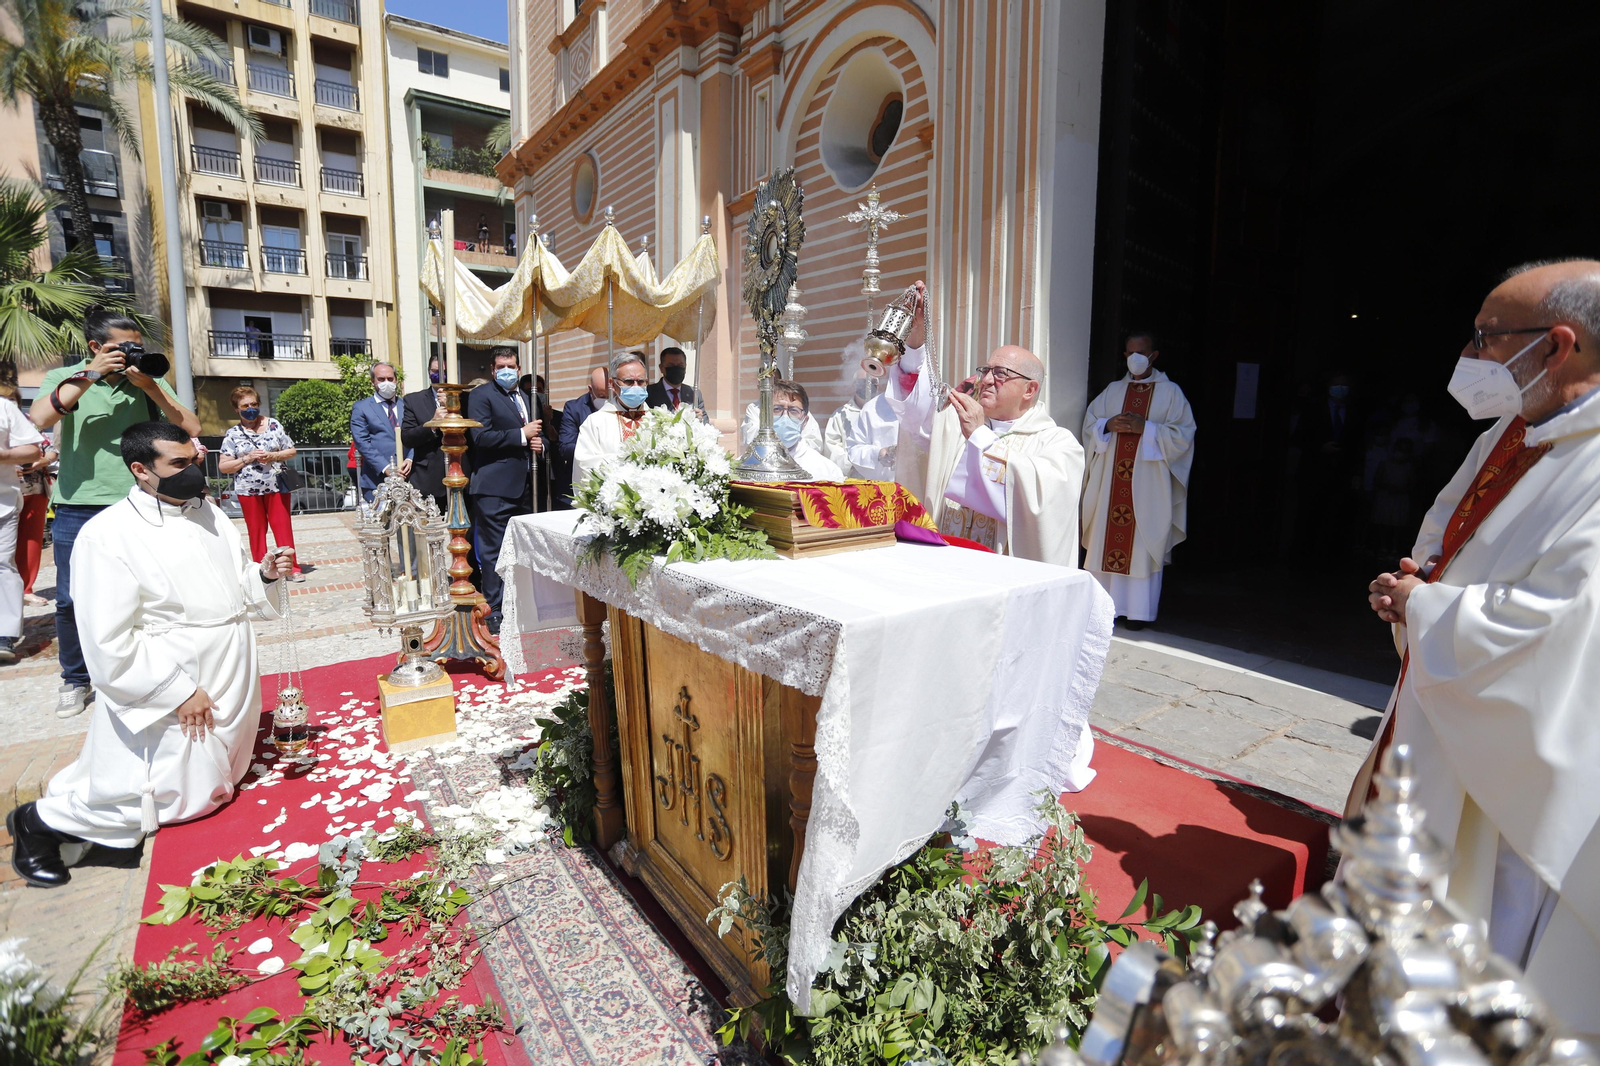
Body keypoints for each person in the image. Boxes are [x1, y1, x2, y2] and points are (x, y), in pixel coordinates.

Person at [1355, 260, 1600, 1038]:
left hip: (1513, 772)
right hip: (1447, 710)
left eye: (1487, 337)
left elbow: (1565, 623)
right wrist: (1416, 586)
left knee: (1489, 945)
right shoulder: (1518, 432)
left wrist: (1425, 606)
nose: (1472, 356)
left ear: (1558, 345)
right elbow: (1449, 533)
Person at [5, 422, 294, 888]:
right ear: (141, 470)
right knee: (150, 787)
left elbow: (234, 586)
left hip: (229, 664)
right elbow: (106, 637)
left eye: (194, 460)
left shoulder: (210, 515)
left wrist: (260, 576)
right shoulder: (107, 534)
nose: (193, 471)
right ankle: (39, 823)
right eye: (178, 465)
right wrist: (176, 691)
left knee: (205, 783)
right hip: (174, 674)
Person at [30, 307, 201, 719]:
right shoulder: (66, 377)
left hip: (137, 502)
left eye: (137, 347)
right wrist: (91, 374)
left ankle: (149, 671)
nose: (131, 354)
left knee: (152, 590)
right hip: (78, 504)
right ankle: (75, 679)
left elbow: (191, 427)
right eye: (122, 348)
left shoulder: (145, 381)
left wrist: (152, 388)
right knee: (72, 599)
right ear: (95, 347)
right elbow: (40, 417)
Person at [886, 282, 1084, 565]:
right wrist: (916, 342)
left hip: (1003, 577)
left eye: (1001, 373)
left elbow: (1042, 509)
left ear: (1030, 390)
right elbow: (915, 414)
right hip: (947, 565)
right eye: (986, 370)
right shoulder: (957, 426)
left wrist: (979, 436)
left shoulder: (1057, 443)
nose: (987, 380)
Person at [1080, 330, 1197, 629]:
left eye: (1141, 352)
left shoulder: (1171, 393)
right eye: (1130, 352)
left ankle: (1137, 613)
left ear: (1154, 355)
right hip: (1110, 485)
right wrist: (1107, 425)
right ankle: (1102, 610)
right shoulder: (1112, 391)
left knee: (1142, 542)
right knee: (1105, 536)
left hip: (1147, 485)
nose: (1135, 358)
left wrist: (1148, 428)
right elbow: (1091, 424)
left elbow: (1183, 435)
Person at [467, 348, 541, 632]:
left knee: (522, 548)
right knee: (494, 551)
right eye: (501, 366)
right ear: (492, 369)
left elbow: (537, 433)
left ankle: (521, 602)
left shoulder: (527, 397)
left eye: (511, 365)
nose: (506, 370)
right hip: (494, 487)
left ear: (519, 368)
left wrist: (538, 443)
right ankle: (495, 609)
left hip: (525, 485)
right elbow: (480, 436)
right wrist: (521, 436)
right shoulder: (482, 396)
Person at [218, 386, 304, 582]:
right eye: (245, 405)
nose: (251, 408)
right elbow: (224, 466)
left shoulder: (273, 425)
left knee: (283, 527)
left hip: (276, 486)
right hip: (248, 489)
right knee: (256, 530)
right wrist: (247, 458)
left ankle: (291, 568)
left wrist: (273, 455)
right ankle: (262, 568)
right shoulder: (233, 434)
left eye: (254, 404)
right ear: (236, 409)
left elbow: (291, 451)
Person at [0, 387, 45, 664]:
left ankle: (3, 634)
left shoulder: (4, 407)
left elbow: (32, 448)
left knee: (2, 566)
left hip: (1, 502)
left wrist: (3, 456)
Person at [573, 352, 652, 485]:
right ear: (612, 384)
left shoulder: (657, 419)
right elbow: (584, 463)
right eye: (628, 381)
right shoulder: (595, 422)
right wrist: (627, 463)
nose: (636, 387)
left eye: (640, 381)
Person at [350, 362, 408, 504]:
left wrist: (410, 459)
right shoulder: (361, 408)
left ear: (396, 380)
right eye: (381, 379)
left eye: (390, 378)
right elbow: (362, 442)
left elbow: (415, 435)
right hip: (376, 481)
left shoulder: (407, 405)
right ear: (373, 382)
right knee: (384, 524)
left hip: (408, 476)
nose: (386, 383)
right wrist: (386, 467)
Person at [401, 356, 452, 515]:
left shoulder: (466, 399)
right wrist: (432, 424)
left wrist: (454, 406)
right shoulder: (413, 400)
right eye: (434, 371)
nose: (438, 375)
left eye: (443, 372)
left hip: (459, 475)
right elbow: (407, 437)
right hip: (428, 478)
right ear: (429, 372)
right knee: (429, 533)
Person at [16, 421, 55, 607]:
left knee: (31, 541)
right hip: (5, 490)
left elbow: (52, 449)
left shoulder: (30, 422)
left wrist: (43, 460)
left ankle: (25, 590)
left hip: (35, 489)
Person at [772, 380, 843, 480]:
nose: (785, 417)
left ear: (805, 421)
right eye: (777, 409)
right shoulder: (747, 465)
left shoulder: (827, 472)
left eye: (793, 410)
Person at [557, 366, 609, 505]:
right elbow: (565, 448)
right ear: (591, 389)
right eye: (602, 396)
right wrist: (598, 453)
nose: (607, 400)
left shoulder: (620, 406)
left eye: (610, 395)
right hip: (581, 481)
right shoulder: (574, 408)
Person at [843, 373, 902, 481]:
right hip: (886, 488)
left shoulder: (934, 405)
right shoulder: (871, 409)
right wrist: (878, 454)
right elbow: (854, 448)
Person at [826, 377, 875, 476]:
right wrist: (853, 460)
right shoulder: (840, 415)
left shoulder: (886, 413)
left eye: (873, 382)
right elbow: (831, 448)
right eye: (863, 382)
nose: (868, 385)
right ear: (854, 385)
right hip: (851, 478)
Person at [646, 346, 695, 412]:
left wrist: (699, 418)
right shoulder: (648, 393)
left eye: (680, 366)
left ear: (685, 367)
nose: (676, 369)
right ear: (661, 368)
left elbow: (705, 420)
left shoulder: (694, 394)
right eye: (671, 365)